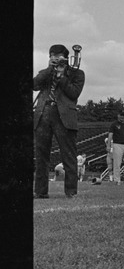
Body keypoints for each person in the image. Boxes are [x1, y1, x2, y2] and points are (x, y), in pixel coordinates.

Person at [33, 44, 85, 199]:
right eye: (52, 55)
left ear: (66, 57)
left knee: (68, 156)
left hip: (64, 116)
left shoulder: (77, 73)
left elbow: (74, 93)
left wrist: (61, 77)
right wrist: (50, 70)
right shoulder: (45, 73)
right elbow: (34, 85)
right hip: (43, 114)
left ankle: (71, 191)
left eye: (58, 55)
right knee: (41, 156)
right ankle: (41, 192)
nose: (55, 58)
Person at [107, 112, 124, 185]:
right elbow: (110, 135)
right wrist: (108, 145)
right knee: (117, 163)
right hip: (117, 144)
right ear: (118, 115)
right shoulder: (114, 124)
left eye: (123, 115)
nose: (122, 117)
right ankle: (117, 180)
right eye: (121, 115)